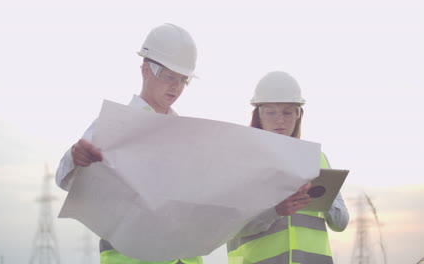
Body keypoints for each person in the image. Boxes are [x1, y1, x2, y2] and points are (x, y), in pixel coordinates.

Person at [55, 23, 203, 264]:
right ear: (145, 70)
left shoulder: (186, 134)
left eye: (183, 80)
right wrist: (75, 157)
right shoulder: (116, 125)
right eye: (169, 77)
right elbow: (63, 178)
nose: (176, 87)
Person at [227, 71, 349, 264]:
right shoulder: (242, 161)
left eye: (287, 112)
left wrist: (322, 195)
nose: (280, 120)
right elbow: (227, 225)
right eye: (271, 112)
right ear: (259, 115)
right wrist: (276, 212)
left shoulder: (317, 159)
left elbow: (341, 223)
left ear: (298, 115)